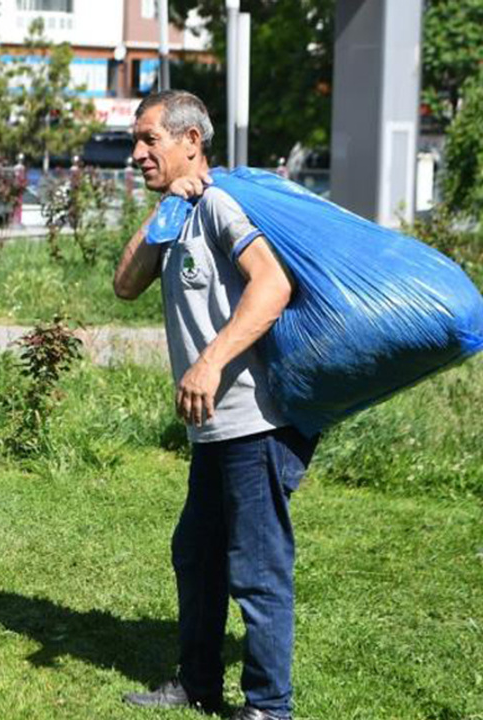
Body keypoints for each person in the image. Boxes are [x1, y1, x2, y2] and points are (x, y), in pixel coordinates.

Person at [113, 90, 317, 720]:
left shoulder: (222, 203)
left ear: (190, 142)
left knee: (257, 569)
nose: (138, 154)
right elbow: (124, 286)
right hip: (214, 430)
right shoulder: (178, 216)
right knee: (196, 554)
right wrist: (161, 215)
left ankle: (268, 708)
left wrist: (209, 361)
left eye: (150, 140)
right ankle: (199, 682)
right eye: (136, 142)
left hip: (256, 423)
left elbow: (273, 284)